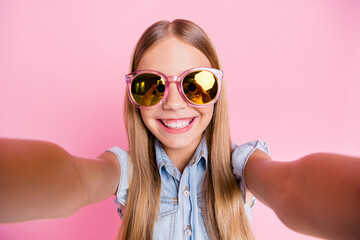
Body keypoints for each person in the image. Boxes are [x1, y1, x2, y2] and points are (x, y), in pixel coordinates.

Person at [0, 19, 359, 240]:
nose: (173, 103)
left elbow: (290, 186)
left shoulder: (243, 167)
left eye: (196, 83)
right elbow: (75, 178)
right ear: (133, 96)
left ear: (218, 92)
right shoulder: (125, 173)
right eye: (151, 85)